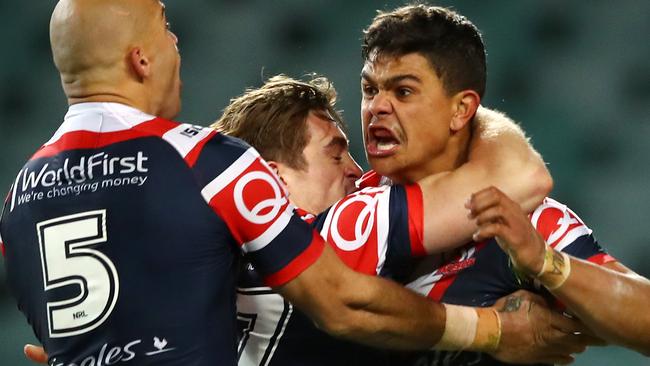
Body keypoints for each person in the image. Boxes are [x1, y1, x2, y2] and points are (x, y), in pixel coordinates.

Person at [0, 1, 556, 365]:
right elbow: (346, 304)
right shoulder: (210, 164)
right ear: (141, 59)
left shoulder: (19, 200)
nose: (178, 47)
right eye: (168, 31)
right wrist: (490, 331)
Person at [214, 75, 588, 366]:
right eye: (335, 154)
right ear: (272, 179)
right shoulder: (328, 231)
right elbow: (521, 176)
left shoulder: (214, 256)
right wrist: (460, 111)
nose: (355, 171)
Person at [357, 3, 650, 364]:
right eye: (369, 90)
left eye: (403, 92)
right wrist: (493, 330)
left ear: (462, 110)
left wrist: (546, 263)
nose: (377, 107)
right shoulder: (349, 207)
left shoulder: (522, 222)